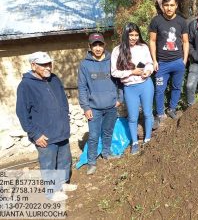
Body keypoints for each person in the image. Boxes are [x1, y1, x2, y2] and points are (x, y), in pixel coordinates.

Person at [16, 51, 77, 202]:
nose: (47, 67)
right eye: (43, 65)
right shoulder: (26, 85)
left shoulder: (54, 79)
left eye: (49, 64)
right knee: (48, 163)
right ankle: (51, 192)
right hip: (44, 134)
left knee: (65, 159)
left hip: (61, 129)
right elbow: (22, 113)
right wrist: (34, 134)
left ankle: (62, 183)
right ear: (33, 65)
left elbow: (63, 99)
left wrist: (65, 118)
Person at [77, 33, 124, 175]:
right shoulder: (84, 65)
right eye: (94, 45)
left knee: (108, 132)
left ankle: (106, 152)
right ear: (90, 47)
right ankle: (91, 162)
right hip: (94, 108)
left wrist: (120, 99)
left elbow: (120, 81)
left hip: (111, 106)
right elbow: (82, 87)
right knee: (93, 135)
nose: (97, 48)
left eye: (100, 44)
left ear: (104, 45)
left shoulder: (112, 61)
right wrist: (86, 107)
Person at [111, 23, 154, 155]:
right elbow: (114, 72)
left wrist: (148, 71)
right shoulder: (117, 50)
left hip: (146, 84)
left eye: (136, 35)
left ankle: (147, 139)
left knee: (147, 113)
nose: (134, 38)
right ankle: (134, 143)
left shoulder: (143, 47)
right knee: (133, 117)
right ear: (126, 35)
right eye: (131, 35)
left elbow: (150, 63)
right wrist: (131, 72)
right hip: (130, 88)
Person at [148, 0, 189, 128]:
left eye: (172, 5)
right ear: (162, 6)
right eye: (166, 5)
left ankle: (172, 109)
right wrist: (154, 61)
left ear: (176, 5)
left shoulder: (181, 21)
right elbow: (152, 41)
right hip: (162, 64)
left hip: (178, 62)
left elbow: (185, 42)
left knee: (177, 87)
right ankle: (160, 114)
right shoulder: (156, 21)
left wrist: (184, 60)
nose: (169, 8)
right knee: (159, 90)